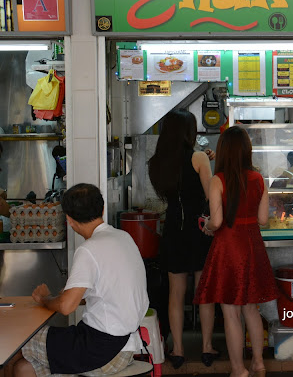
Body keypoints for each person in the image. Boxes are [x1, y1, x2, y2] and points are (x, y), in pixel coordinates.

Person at [13, 183, 149, 377]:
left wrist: (45, 299)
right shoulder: (123, 237)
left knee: (19, 340)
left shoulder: (88, 249)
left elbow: (67, 307)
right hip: (126, 348)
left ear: (68, 219)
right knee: (24, 368)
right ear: (102, 209)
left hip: (99, 350)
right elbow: (111, 292)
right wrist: (72, 296)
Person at [194, 126, 279, 377]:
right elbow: (263, 219)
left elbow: (217, 222)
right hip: (252, 245)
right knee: (251, 309)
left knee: (230, 312)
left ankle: (238, 369)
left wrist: (207, 226)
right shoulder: (259, 179)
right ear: (246, 151)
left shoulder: (217, 180)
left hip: (229, 247)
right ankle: (258, 363)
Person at [148, 108, 218, 368]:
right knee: (204, 293)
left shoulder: (156, 162)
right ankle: (207, 347)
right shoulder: (199, 157)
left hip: (172, 231)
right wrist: (209, 164)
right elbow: (211, 195)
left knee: (175, 294)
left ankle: (177, 350)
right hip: (199, 229)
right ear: (189, 131)